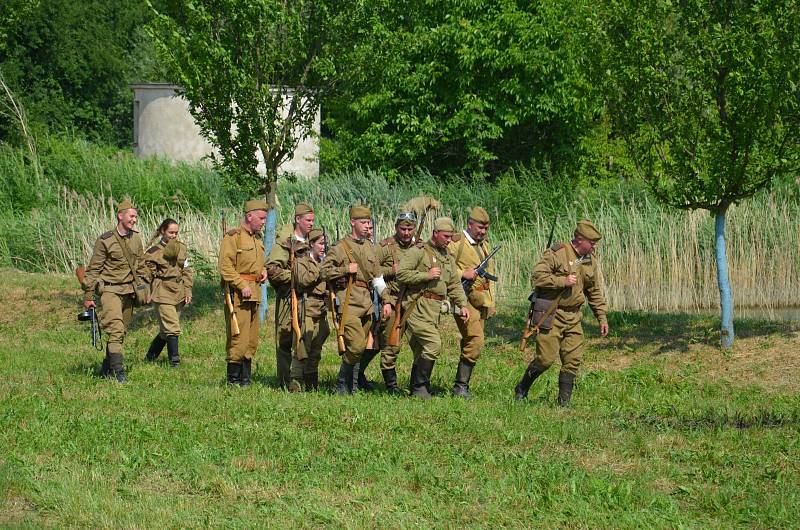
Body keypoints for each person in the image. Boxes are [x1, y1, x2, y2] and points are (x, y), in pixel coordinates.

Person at [514, 220, 609, 406]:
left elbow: (594, 291)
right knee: (545, 359)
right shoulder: (557, 253)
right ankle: (522, 387)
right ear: (580, 239)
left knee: (573, 360)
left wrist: (602, 316)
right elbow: (537, 276)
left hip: (574, 316)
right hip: (552, 314)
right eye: (592, 242)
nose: (594, 245)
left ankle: (563, 403)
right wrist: (562, 281)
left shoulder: (590, 259)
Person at [321, 204, 392, 395]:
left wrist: (387, 300)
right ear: (352, 222)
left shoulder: (370, 247)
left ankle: (350, 387)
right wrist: (345, 270)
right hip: (347, 303)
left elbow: (377, 277)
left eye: (369, 222)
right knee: (357, 345)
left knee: (360, 348)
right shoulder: (340, 247)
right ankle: (341, 383)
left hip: (366, 304)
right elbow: (323, 271)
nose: (367, 226)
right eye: (363, 222)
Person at [396, 217, 470, 399]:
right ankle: (420, 386)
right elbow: (401, 274)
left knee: (421, 349)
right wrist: (425, 275)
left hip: (434, 309)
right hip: (417, 306)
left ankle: (418, 388)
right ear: (435, 233)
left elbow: (454, 284)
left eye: (451, 237)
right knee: (433, 344)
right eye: (445, 236)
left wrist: (463, 304)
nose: (448, 240)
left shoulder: (447, 257)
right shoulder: (419, 251)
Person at [81, 199, 152, 382]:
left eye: (136, 216)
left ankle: (106, 369)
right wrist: (88, 296)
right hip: (110, 291)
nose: (134, 220)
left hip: (129, 292)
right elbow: (93, 269)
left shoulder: (136, 238)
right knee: (116, 331)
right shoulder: (105, 240)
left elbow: (141, 264)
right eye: (131, 216)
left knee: (121, 333)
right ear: (120, 216)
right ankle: (119, 374)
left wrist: (147, 286)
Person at [447, 206, 497, 398]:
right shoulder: (456, 243)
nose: (483, 232)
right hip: (463, 299)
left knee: (471, 340)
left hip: (480, 300)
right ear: (470, 224)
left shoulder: (483, 245)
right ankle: (460, 387)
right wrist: (462, 273)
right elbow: (443, 266)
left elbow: (487, 277)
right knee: (476, 340)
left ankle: (462, 384)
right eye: (480, 227)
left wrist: (491, 302)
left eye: (486, 228)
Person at [218, 199, 269, 386]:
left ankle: (245, 381)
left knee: (251, 340)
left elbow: (256, 265)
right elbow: (225, 267)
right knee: (238, 338)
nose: (263, 221)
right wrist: (241, 284)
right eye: (261, 218)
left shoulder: (256, 240)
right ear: (250, 216)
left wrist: (263, 272)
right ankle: (233, 381)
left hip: (255, 295)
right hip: (239, 296)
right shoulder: (233, 238)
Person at [266, 202, 315, 389]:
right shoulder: (284, 241)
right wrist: (295, 276)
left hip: (310, 298)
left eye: (312, 220)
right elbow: (272, 269)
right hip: (289, 295)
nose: (311, 224)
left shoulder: (313, 240)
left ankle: (306, 379)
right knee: (286, 338)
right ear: (298, 220)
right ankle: (286, 381)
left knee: (310, 338)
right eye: (308, 220)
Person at [375, 210, 420, 394]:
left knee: (420, 343)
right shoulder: (386, 246)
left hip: (415, 301)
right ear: (396, 228)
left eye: (410, 229)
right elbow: (372, 269)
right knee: (391, 345)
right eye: (403, 228)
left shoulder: (420, 248)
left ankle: (418, 385)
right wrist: (391, 270)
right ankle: (391, 387)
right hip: (393, 299)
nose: (406, 233)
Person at [143, 218, 194, 367]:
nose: (173, 235)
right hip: (162, 291)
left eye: (176, 233)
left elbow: (187, 270)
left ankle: (150, 357)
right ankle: (175, 362)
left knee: (166, 331)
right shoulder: (153, 253)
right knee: (173, 328)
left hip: (178, 291)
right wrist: (146, 292)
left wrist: (188, 289)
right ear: (162, 232)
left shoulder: (181, 248)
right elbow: (147, 275)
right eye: (170, 232)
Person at [288, 228, 331, 391]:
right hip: (306, 307)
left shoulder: (322, 262)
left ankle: (312, 382)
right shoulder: (301, 262)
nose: (323, 247)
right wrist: (321, 271)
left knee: (316, 346)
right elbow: (304, 281)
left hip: (321, 308)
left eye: (325, 244)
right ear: (311, 244)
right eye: (320, 244)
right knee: (303, 345)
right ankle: (296, 382)